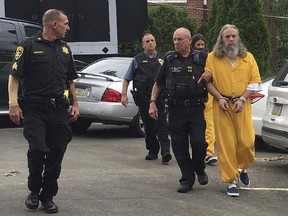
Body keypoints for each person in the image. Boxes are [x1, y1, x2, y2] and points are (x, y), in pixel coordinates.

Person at [8, 9, 80, 213]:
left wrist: (75, 105)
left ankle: (47, 195)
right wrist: (13, 104)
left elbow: (70, 80)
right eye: (65, 24)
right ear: (54, 24)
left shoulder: (65, 49)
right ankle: (33, 191)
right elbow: (14, 76)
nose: (68, 27)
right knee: (38, 149)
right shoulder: (28, 46)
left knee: (57, 152)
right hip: (34, 109)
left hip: (58, 110)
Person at [149, 27, 210, 193]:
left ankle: (199, 168)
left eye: (180, 39)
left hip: (196, 109)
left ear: (189, 41)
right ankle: (187, 179)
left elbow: (213, 77)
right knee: (179, 146)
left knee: (199, 143)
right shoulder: (169, 59)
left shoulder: (203, 58)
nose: (176, 42)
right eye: (174, 39)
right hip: (176, 109)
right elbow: (158, 83)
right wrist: (152, 102)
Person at [205, 24, 262, 197]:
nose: (231, 39)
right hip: (222, 106)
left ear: (238, 38)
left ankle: (242, 167)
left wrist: (243, 98)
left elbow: (255, 83)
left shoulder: (248, 58)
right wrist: (219, 97)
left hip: (242, 105)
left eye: (234, 36)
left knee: (247, 142)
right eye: (227, 36)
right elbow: (208, 82)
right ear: (221, 39)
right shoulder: (213, 58)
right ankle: (230, 181)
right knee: (226, 144)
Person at [121, 33, 172, 163]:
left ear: (155, 43)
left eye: (152, 40)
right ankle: (153, 149)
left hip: (160, 98)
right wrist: (124, 94)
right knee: (149, 126)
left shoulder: (163, 59)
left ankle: (165, 151)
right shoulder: (137, 60)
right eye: (147, 41)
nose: (150, 43)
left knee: (162, 124)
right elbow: (127, 78)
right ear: (143, 44)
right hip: (144, 98)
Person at [191, 34, 217, 165]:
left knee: (210, 125)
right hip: (194, 98)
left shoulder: (210, 58)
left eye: (202, 45)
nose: (201, 47)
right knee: (196, 127)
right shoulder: (191, 59)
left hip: (209, 97)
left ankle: (209, 152)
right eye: (198, 45)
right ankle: (198, 151)